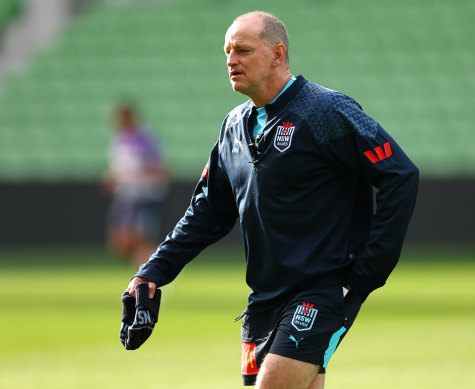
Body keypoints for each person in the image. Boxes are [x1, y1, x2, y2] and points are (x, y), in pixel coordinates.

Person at [123, 11, 418, 388]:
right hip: (263, 297)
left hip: (322, 289)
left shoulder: (326, 110)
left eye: (243, 50)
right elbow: (207, 213)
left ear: (278, 54)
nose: (231, 60)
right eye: (227, 51)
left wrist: (366, 273)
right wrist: (153, 271)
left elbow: (401, 174)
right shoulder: (232, 127)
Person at [103, 103, 168, 268]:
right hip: (125, 195)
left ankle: (154, 270)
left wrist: (139, 175)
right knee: (120, 242)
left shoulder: (143, 139)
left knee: (135, 238)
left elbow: (158, 167)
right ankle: (149, 268)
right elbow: (119, 168)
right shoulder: (118, 140)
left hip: (142, 194)